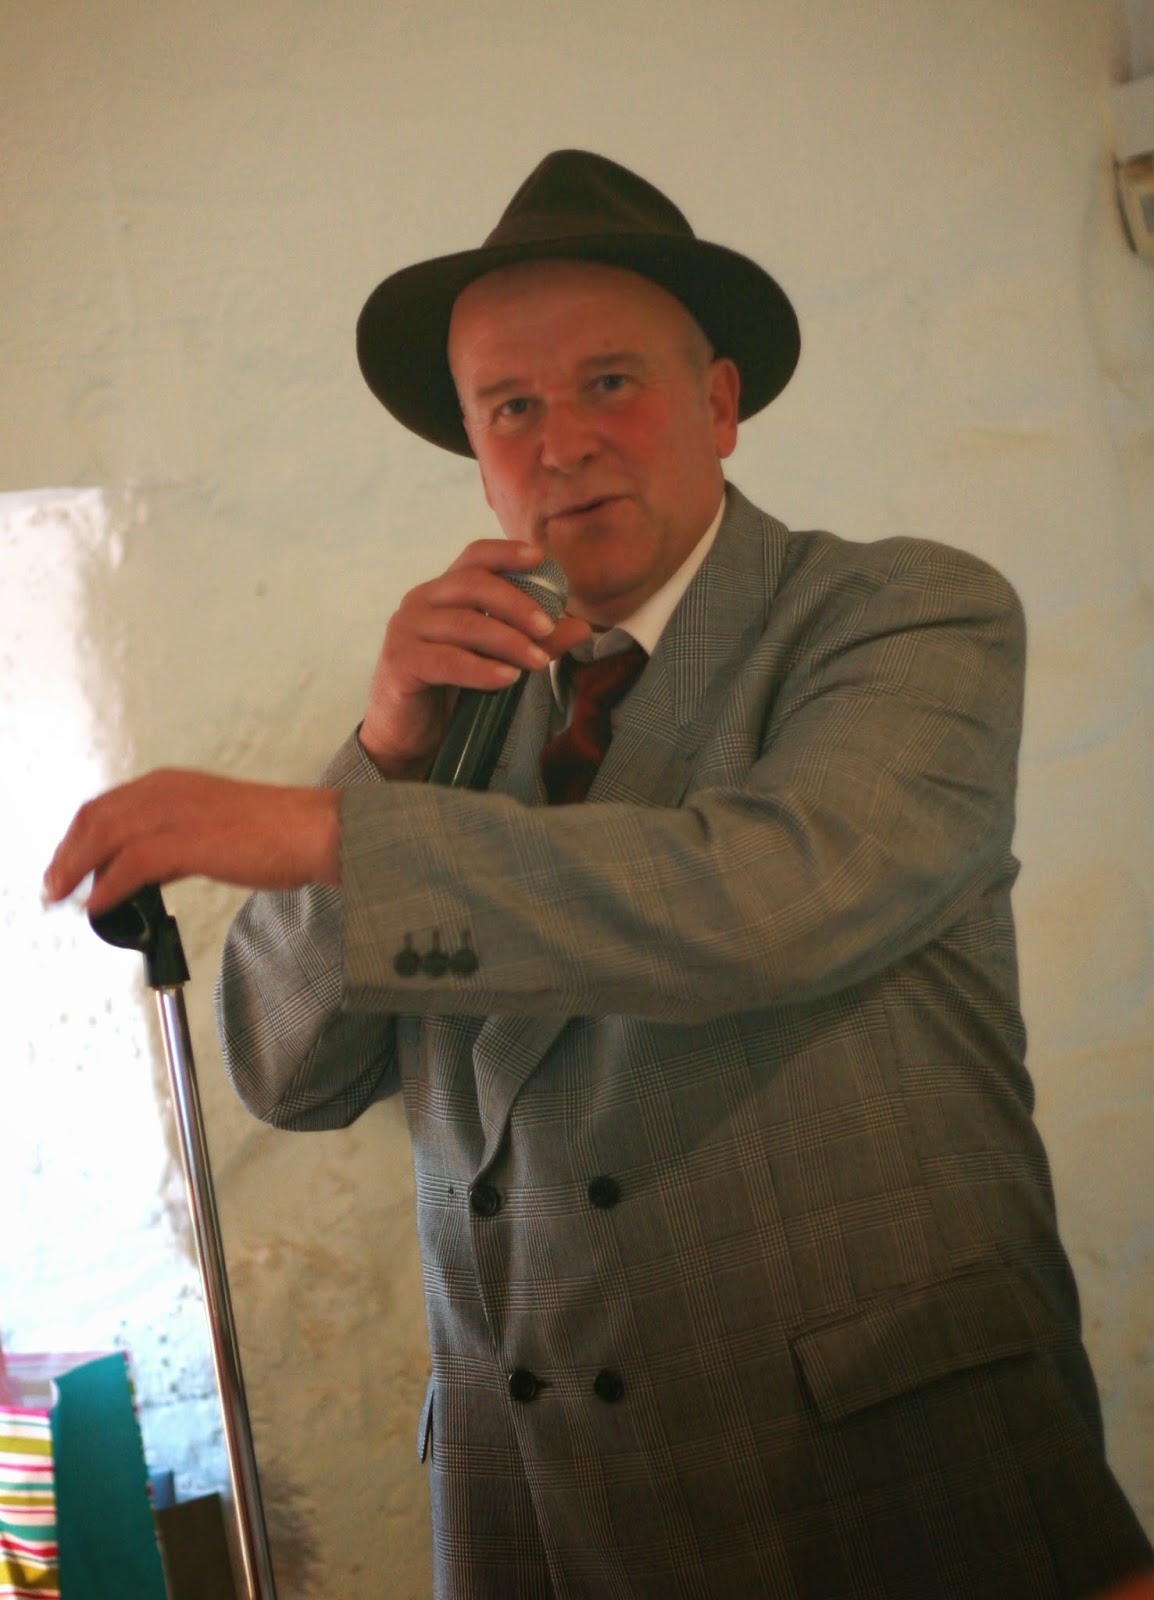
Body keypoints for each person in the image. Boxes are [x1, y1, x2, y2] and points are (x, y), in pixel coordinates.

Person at [45, 150, 1153, 1599]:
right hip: (538, 1518)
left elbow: (763, 900)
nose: (559, 442)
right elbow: (286, 1069)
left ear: (719, 405)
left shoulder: (899, 615)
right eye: (510, 406)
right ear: (475, 447)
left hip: (890, 1494)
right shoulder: (460, 709)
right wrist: (381, 753)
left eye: (609, 384)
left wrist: (331, 833)